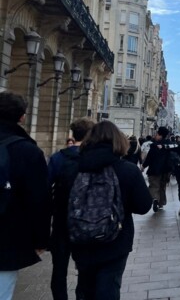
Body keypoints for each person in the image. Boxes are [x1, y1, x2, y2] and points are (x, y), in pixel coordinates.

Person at [69, 120, 152, 300]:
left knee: (85, 285)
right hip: (115, 240)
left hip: (80, 239)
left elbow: (61, 204)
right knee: (109, 287)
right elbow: (144, 206)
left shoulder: (73, 167)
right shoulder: (128, 170)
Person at [0, 91, 50, 300]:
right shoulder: (27, 151)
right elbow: (38, 201)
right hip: (6, 238)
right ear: (22, 117)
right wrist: (40, 240)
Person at [48, 117, 94, 300]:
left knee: (58, 270)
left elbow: (44, 190)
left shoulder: (58, 158)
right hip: (87, 224)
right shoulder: (94, 159)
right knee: (86, 270)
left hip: (61, 222)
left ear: (72, 135)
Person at [142, 126, 171, 212]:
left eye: (157, 134)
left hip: (154, 169)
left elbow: (149, 158)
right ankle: (161, 203)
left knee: (154, 186)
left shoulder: (154, 145)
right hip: (165, 170)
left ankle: (155, 199)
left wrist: (143, 166)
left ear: (160, 135)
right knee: (162, 186)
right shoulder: (169, 145)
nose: (155, 135)